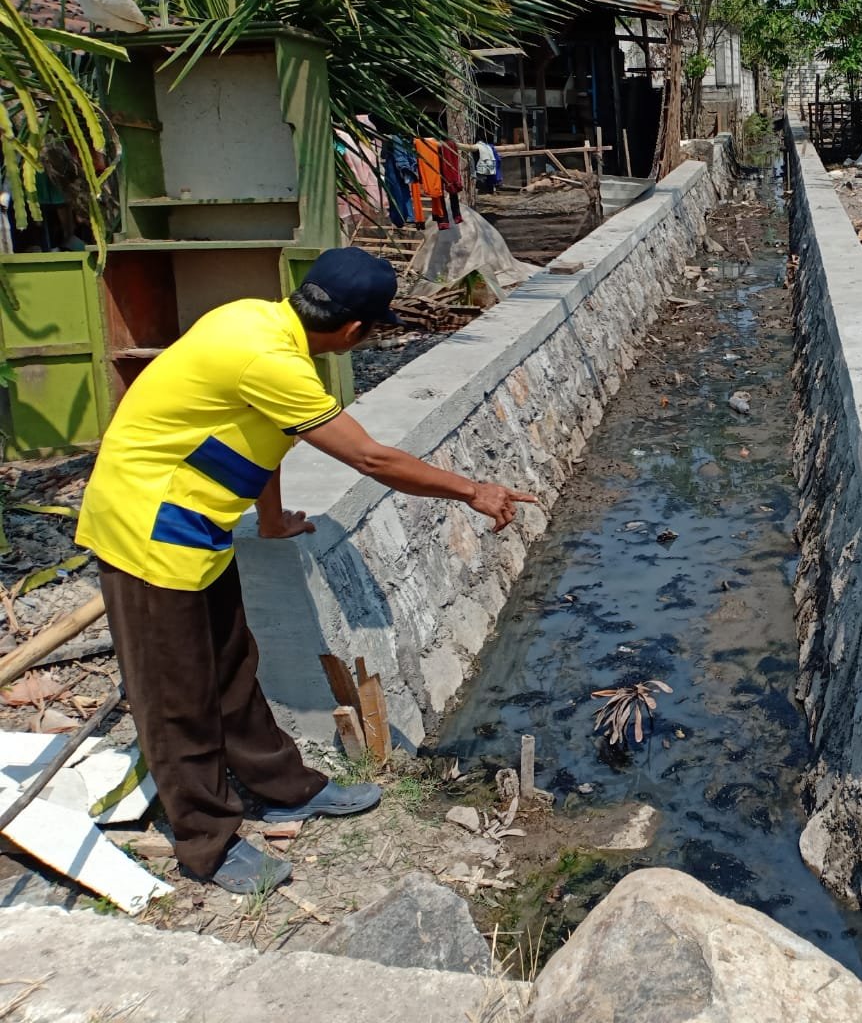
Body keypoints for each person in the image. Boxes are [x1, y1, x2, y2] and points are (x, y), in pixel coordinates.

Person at [74, 248, 536, 893]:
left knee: (231, 669)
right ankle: (206, 844)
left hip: (195, 526)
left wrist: (269, 519)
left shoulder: (253, 321)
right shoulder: (274, 362)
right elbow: (372, 460)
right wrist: (474, 491)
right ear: (353, 332)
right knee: (176, 699)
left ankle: (284, 788)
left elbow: (260, 433)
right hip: (147, 534)